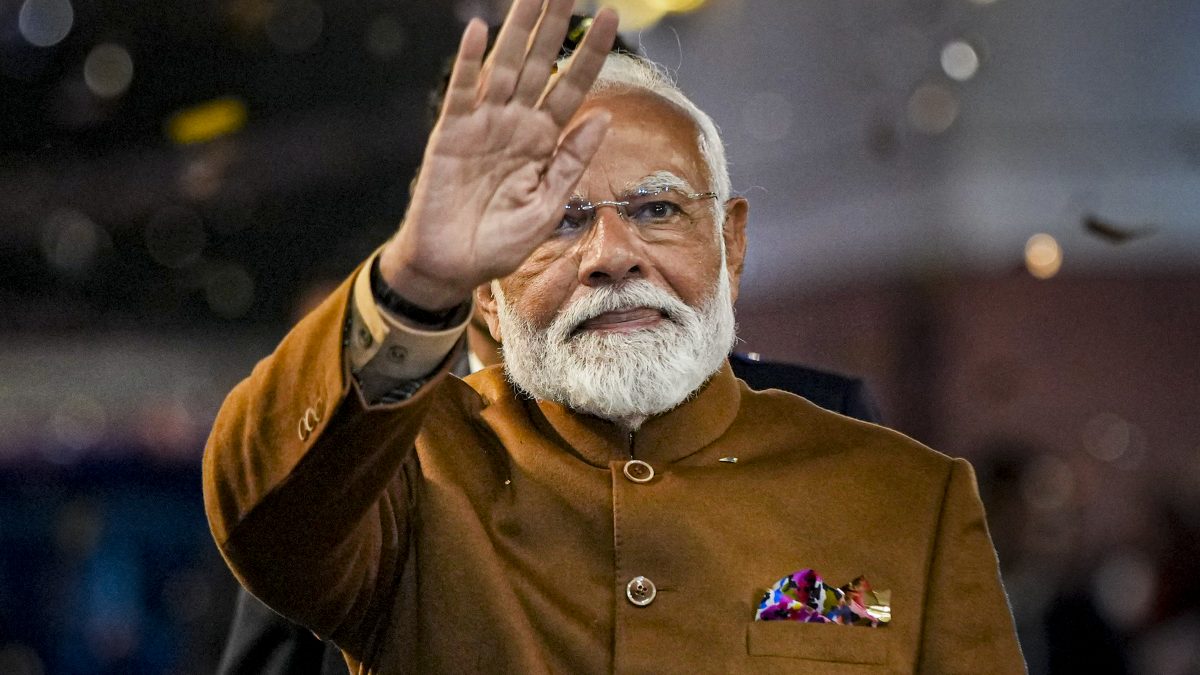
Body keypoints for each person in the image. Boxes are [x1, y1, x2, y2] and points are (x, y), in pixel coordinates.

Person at [203, 1, 1025, 672]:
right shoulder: (403, 478)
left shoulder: (910, 500)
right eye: (558, 220)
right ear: (484, 289)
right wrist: (414, 277)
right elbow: (264, 515)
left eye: (658, 208)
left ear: (731, 245)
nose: (611, 256)